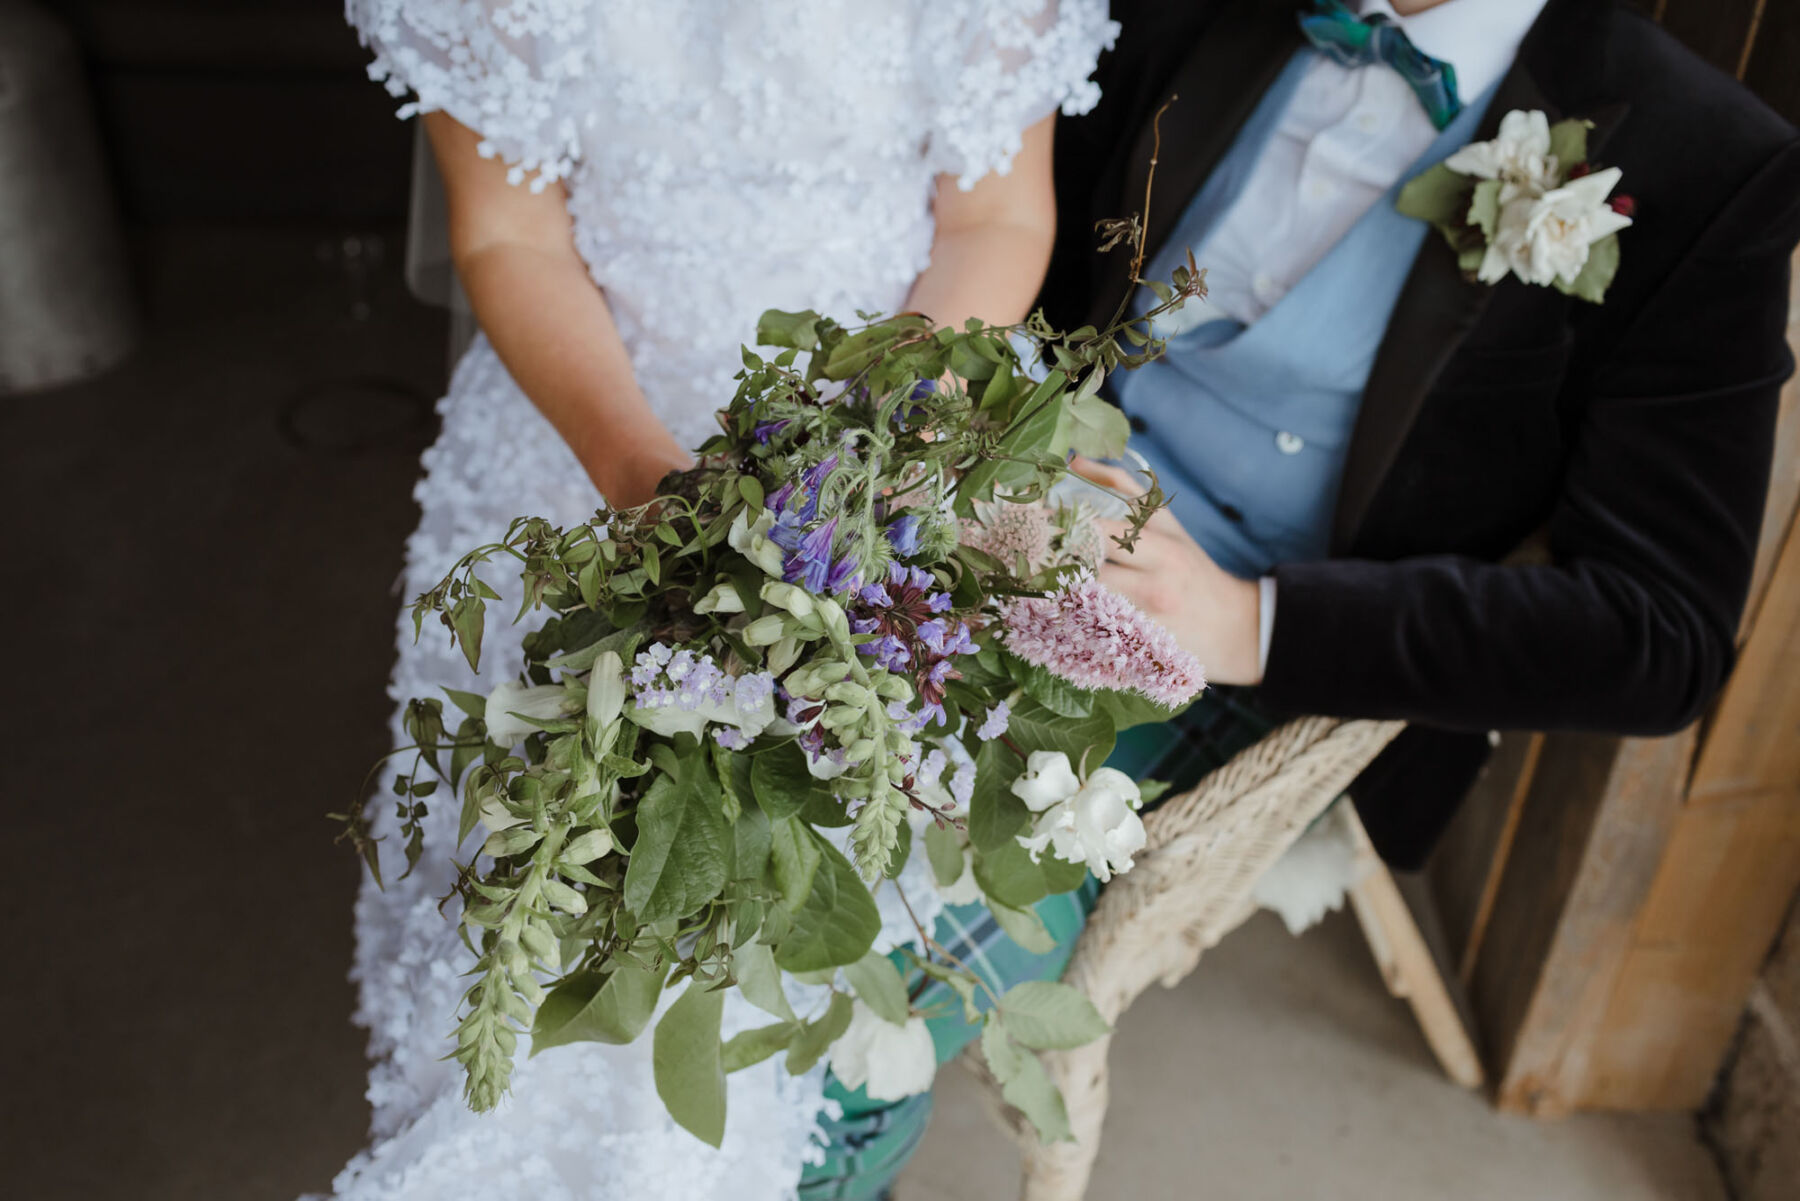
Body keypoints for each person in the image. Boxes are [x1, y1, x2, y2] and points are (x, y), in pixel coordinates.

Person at [325, 3, 1116, 1200]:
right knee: (548, 890)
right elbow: (509, 239)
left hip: (885, 438)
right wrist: (645, 482)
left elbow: (995, 215)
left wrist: (875, 460)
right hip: (586, 430)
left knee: (803, 884)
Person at [1044, 0, 1800, 869]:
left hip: (1222, 682)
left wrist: (1252, 624)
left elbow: (1662, 633)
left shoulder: (1710, 165)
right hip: (991, 501)